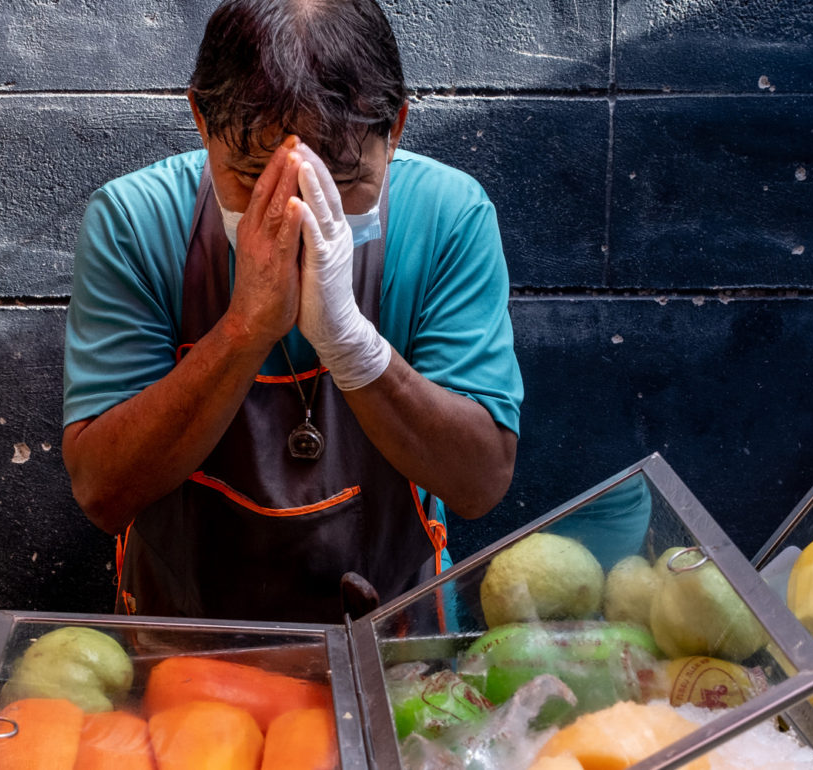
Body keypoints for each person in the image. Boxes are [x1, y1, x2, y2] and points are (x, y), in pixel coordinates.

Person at [62, 0, 523, 623]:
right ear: (201, 120)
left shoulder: (448, 215)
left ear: (398, 128)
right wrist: (245, 327)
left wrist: (353, 346)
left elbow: (480, 483)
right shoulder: (135, 222)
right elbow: (102, 492)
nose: (300, 208)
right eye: (255, 175)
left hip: (393, 632)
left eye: (346, 180)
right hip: (188, 645)